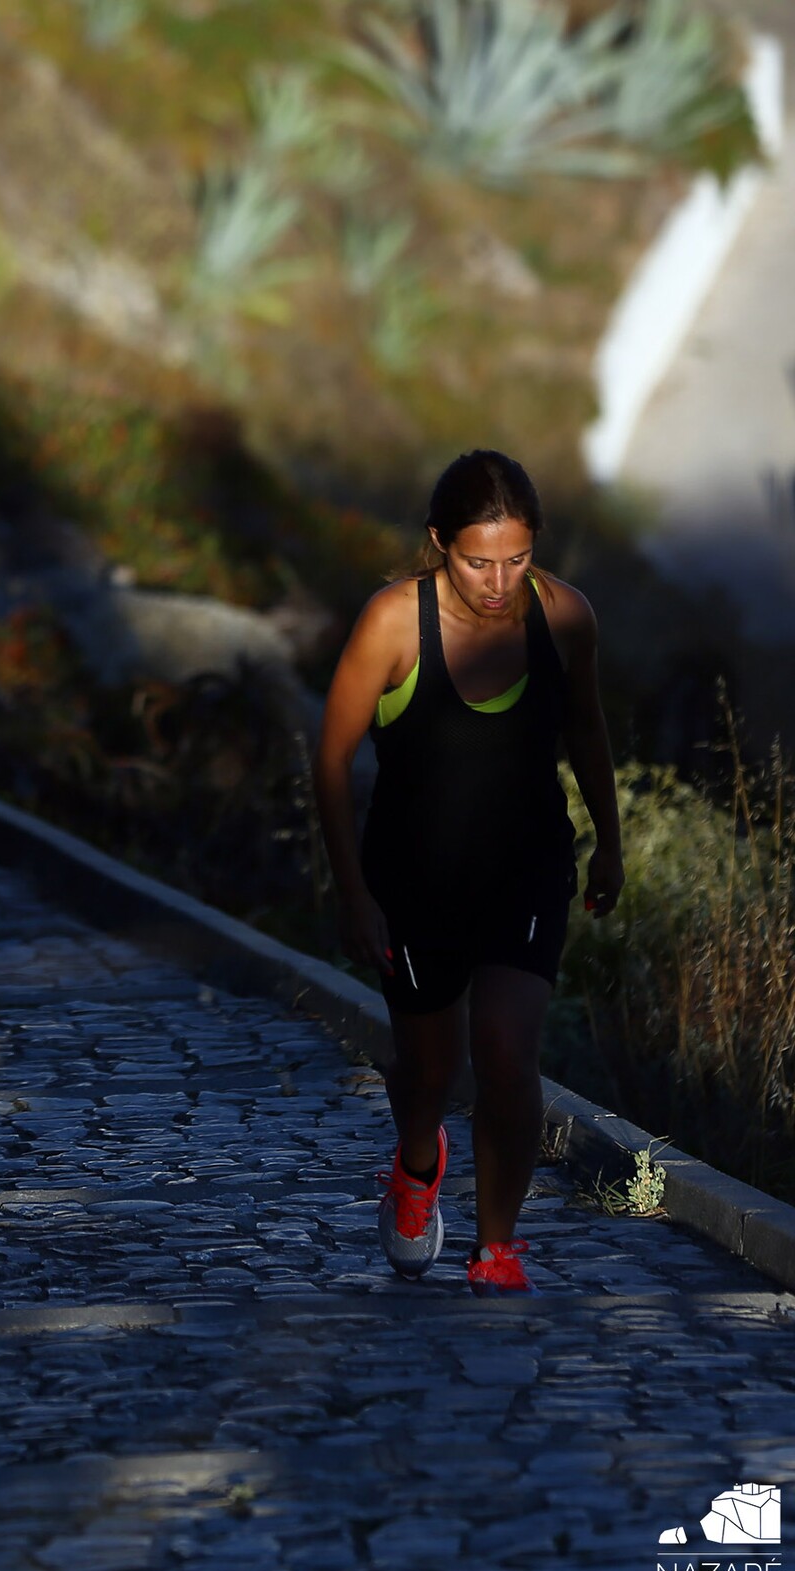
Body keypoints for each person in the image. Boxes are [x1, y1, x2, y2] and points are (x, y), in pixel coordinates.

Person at [314, 451, 623, 1298]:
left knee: (507, 1052)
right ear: (438, 543)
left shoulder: (565, 618)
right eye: (479, 560)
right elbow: (333, 760)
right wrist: (352, 891)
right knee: (428, 1073)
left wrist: (610, 840)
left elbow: (588, 729)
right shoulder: (390, 624)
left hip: (526, 870)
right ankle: (418, 1166)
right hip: (411, 882)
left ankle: (497, 1247)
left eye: (517, 558)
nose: (499, 580)